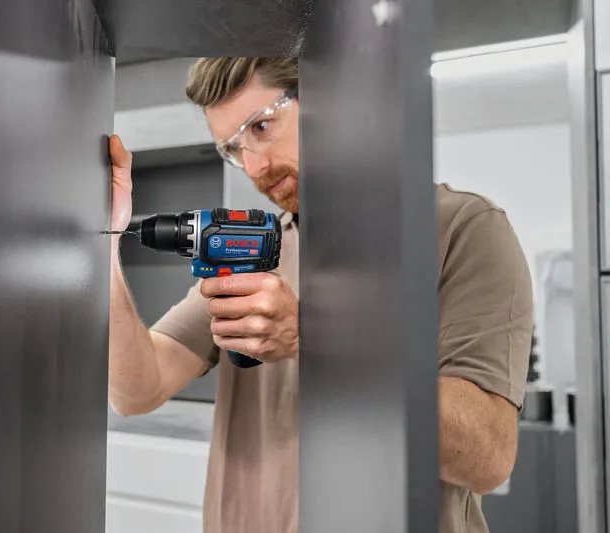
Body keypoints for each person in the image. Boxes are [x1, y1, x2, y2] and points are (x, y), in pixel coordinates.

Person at [106, 57, 533, 533]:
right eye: (233, 148)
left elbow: (487, 457)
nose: (254, 166)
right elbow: (134, 390)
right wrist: (105, 239)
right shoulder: (262, 245)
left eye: (262, 126)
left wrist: (313, 335)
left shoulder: (460, 228)